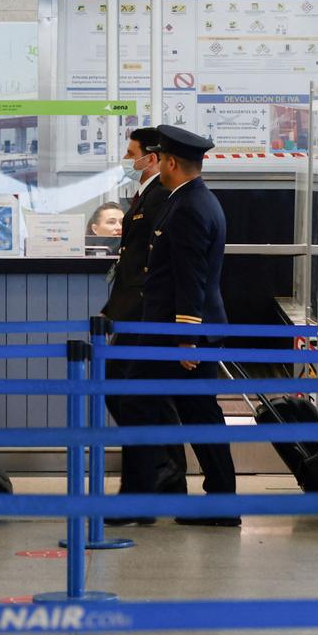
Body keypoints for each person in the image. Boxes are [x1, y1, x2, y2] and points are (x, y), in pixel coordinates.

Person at [108, 125, 238, 525]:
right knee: (195, 411)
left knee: (142, 403)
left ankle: (142, 502)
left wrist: (185, 338)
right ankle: (216, 503)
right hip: (172, 332)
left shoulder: (190, 208)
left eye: (160, 158)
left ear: (170, 162)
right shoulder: (189, 200)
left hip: (175, 335)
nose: (153, 164)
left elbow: (191, 277)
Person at [101, 131, 189, 525]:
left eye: (132, 153)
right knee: (138, 398)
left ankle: (155, 480)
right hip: (131, 311)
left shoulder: (160, 199)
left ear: (154, 158)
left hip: (144, 315)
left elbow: (151, 268)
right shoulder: (145, 194)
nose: (126, 158)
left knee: (136, 398)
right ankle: (165, 477)